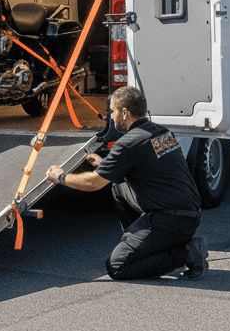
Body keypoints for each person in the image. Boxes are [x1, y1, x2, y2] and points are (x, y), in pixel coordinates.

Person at [44, 85, 209, 281]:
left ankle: (187, 253)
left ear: (124, 113)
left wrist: (60, 177)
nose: (111, 117)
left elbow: (94, 183)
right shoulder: (160, 132)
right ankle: (139, 241)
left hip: (170, 221)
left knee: (118, 266)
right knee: (117, 185)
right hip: (188, 214)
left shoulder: (129, 142)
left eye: (112, 111)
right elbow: (145, 166)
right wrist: (104, 163)